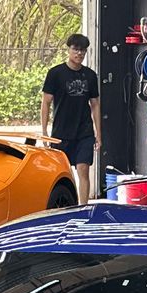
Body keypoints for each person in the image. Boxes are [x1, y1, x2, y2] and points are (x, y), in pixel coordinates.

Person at [39, 33, 103, 202]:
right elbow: (45, 102)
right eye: (75, 49)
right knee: (61, 173)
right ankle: (66, 204)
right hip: (61, 132)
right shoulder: (55, 73)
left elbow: (95, 104)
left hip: (84, 131)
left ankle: (83, 208)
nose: (79, 54)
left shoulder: (90, 75)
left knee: (83, 168)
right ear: (68, 50)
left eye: (83, 50)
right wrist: (44, 131)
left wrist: (98, 133)